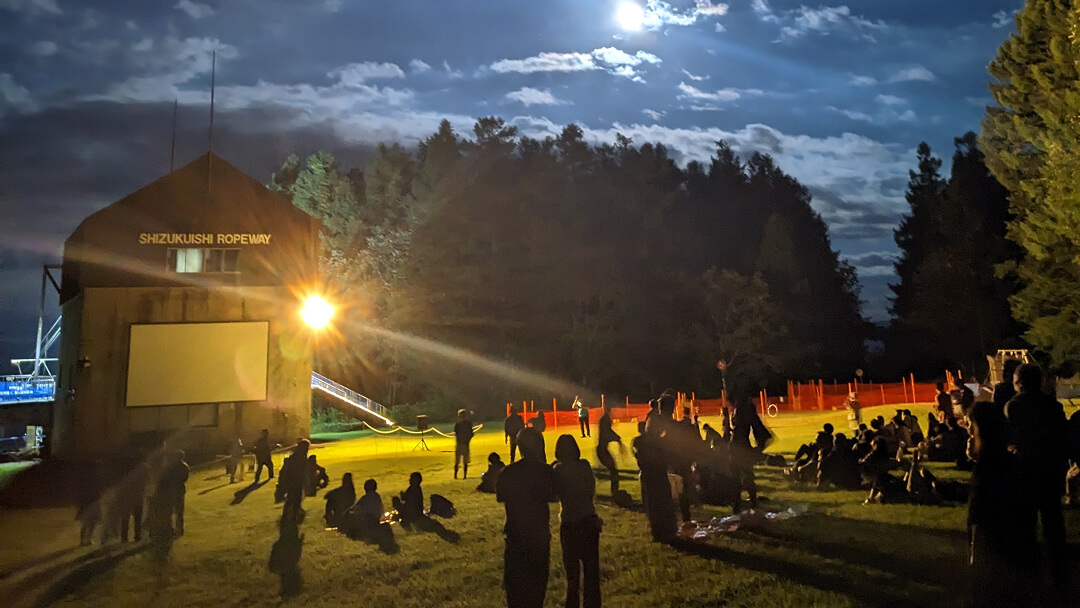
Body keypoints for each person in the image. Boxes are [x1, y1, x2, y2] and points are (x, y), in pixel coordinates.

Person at [1004, 364, 1068, 583]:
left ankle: (1030, 569)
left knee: (1026, 521)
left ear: (1019, 383)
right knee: (1053, 520)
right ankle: (1058, 568)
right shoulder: (1053, 406)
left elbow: (1011, 438)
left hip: (1026, 469)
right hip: (1050, 469)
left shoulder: (1013, 406)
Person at [967, 400, 1028, 606]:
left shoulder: (986, 468)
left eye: (971, 425)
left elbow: (979, 510)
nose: (969, 432)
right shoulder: (1011, 461)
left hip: (989, 527)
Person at [496, 428, 556, 608]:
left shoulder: (508, 472)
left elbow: (500, 496)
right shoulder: (546, 472)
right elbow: (553, 496)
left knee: (515, 589)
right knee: (537, 587)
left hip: (515, 536)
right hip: (538, 536)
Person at [552, 435, 601, 608]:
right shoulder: (585, 466)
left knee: (571, 573)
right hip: (588, 519)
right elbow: (591, 490)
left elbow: (554, 494)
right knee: (591, 571)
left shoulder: (557, 470)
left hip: (569, 523)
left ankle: (571, 604)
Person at [633, 417, 676, 542]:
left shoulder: (640, 441)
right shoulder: (657, 443)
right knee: (662, 502)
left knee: (653, 504)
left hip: (649, 476)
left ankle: (658, 531)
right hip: (657, 476)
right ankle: (666, 530)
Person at [729, 395, 772, 513]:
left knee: (741, 477)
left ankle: (742, 504)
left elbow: (754, 431)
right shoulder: (743, 411)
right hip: (739, 448)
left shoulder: (744, 411)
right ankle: (746, 502)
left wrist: (757, 449)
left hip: (740, 448)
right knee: (743, 476)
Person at [104, 459, 150, 543]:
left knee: (126, 517)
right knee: (137, 517)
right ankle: (137, 536)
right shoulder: (144, 467)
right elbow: (147, 481)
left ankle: (124, 537)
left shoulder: (125, 468)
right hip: (138, 495)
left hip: (127, 496)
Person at [157, 450, 190, 536]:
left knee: (170, 510)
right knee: (180, 511)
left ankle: (171, 529)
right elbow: (185, 478)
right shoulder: (184, 466)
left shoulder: (171, 467)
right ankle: (180, 529)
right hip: (180, 490)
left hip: (172, 490)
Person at [276, 440, 310, 523]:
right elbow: (303, 471)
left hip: (291, 480)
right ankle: (293, 516)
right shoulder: (302, 457)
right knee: (296, 499)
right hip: (296, 480)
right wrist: (306, 481)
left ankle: (287, 515)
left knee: (290, 499)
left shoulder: (294, 456)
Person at [596, 403, 622, 495]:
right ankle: (614, 492)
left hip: (602, 449)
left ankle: (614, 491)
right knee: (613, 470)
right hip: (602, 450)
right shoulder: (606, 419)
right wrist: (616, 438)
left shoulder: (604, 419)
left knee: (612, 470)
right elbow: (607, 433)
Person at [454, 409, 474, 479]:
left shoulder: (458, 424)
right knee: (464, 461)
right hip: (464, 444)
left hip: (460, 444)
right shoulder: (467, 423)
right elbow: (471, 434)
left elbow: (456, 434)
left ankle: (456, 475)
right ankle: (464, 475)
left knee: (458, 461)